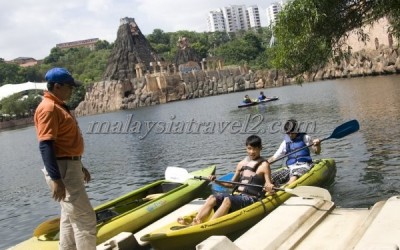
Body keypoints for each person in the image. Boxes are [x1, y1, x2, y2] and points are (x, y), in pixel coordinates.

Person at [34, 67, 96, 250]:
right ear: (57, 86)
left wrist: (80, 165)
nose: (72, 90)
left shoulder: (58, 106)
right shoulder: (49, 108)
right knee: (85, 219)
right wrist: (56, 179)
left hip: (69, 166)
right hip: (63, 170)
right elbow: (46, 145)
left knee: (70, 218)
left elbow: (64, 143)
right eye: (69, 86)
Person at [178, 135, 274, 225]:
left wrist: (269, 187)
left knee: (228, 200)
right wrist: (216, 181)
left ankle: (209, 225)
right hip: (239, 196)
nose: (252, 152)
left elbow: (269, 185)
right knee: (212, 197)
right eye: (249, 148)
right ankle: (196, 222)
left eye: (255, 149)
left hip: (251, 199)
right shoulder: (241, 164)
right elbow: (231, 184)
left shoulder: (264, 165)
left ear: (260, 148)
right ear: (246, 148)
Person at [268, 119, 321, 186]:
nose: (290, 135)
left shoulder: (305, 138)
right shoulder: (285, 143)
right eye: (288, 133)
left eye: (292, 132)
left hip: (304, 165)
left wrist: (318, 145)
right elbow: (274, 158)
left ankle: (283, 189)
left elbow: (317, 152)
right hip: (290, 168)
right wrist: (263, 163)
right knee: (270, 177)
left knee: (294, 176)